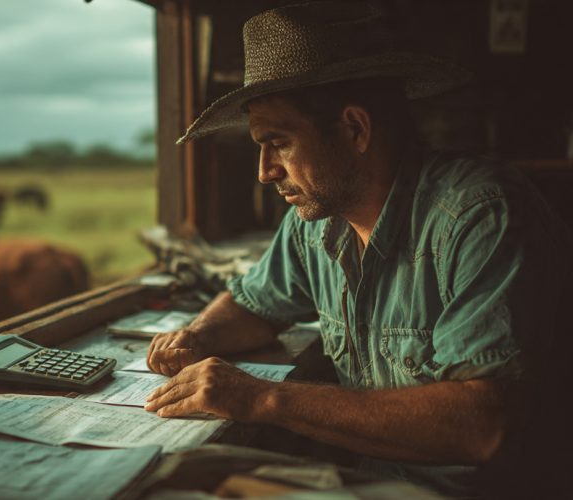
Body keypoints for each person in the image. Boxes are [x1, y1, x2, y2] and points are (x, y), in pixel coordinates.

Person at [143, 1, 572, 497]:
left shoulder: (481, 214)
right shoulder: (314, 225)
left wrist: (261, 398)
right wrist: (196, 337)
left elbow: (481, 425)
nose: (264, 172)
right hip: (376, 479)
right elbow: (251, 305)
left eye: (278, 142)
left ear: (354, 129)